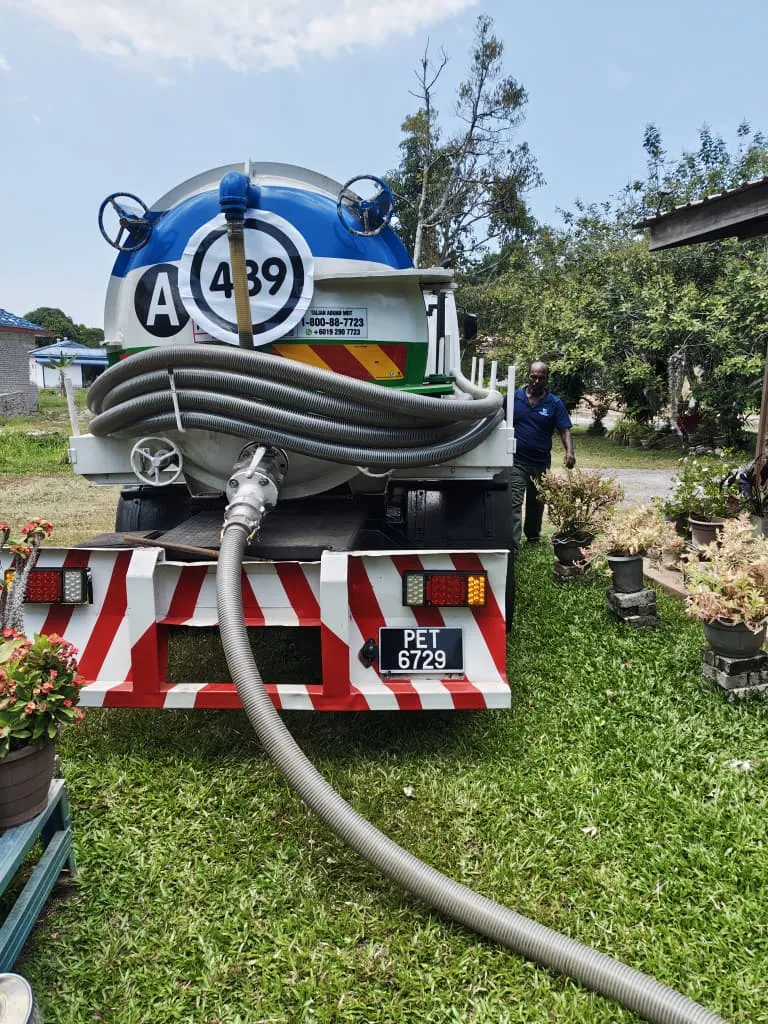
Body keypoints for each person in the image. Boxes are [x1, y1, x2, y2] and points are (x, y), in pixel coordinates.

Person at [506, 361, 575, 551]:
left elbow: (564, 430)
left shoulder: (554, 403)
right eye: (533, 376)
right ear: (527, 376)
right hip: (516, 460)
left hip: (541, 462)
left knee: (537, 502)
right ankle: (513, 545)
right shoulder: (513, 398)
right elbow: (496, 420)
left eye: (541, 378)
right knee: (514, 501)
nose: (536, 381)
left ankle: (533, 536)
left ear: (546, 379)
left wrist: (570, 451)